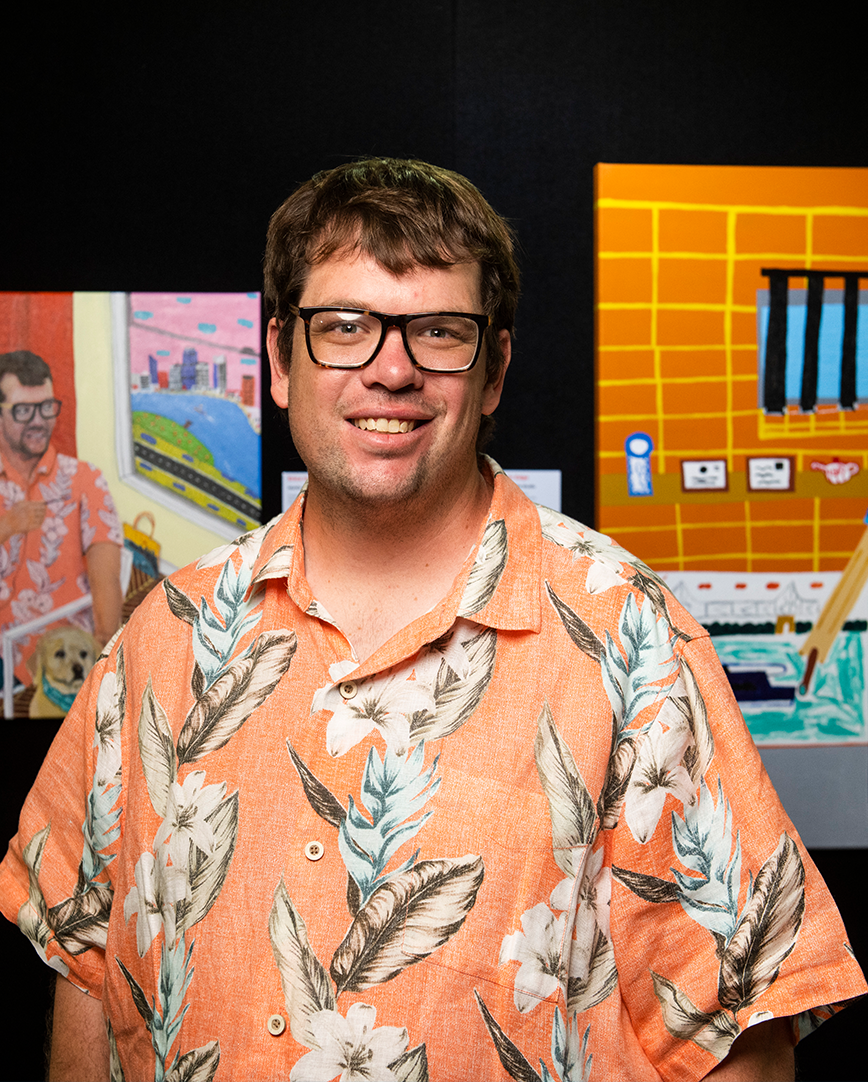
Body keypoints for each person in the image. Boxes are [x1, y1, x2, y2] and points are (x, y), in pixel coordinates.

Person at [0, 160, 864, 1082]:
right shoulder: (164, 637)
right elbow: (86, 966)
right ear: (281, 359)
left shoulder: (629, 641)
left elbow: (738, 1034)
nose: (392, 369)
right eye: (345, 327)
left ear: (493, 371)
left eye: (440, 331)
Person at [0, 351, 123, 689]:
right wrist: (8, 526)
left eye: (46, 407)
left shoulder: (84, 480)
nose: (38, 421)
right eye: (23, 410)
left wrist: (105, 655)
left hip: (53, 654)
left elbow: (106, 576)